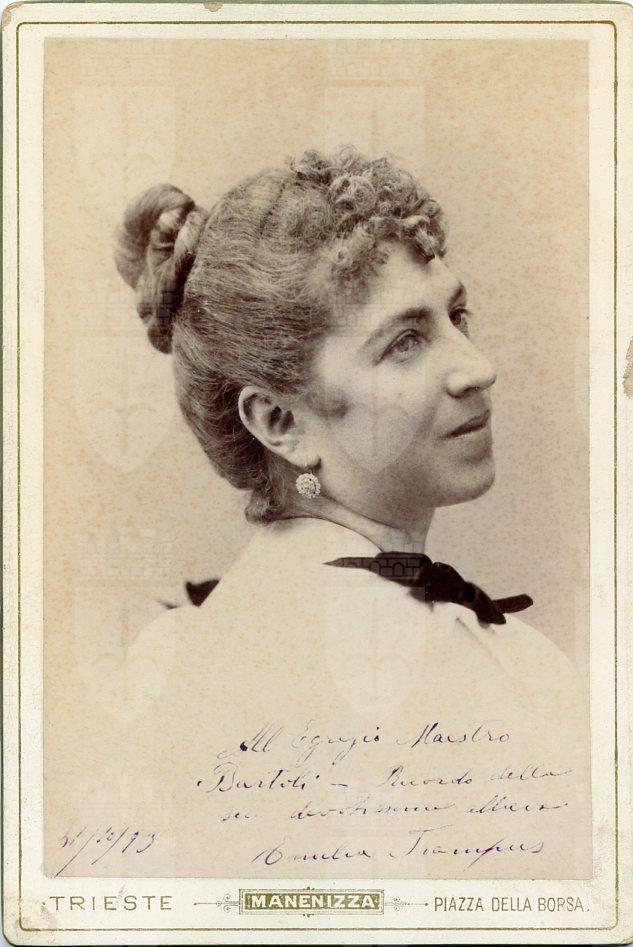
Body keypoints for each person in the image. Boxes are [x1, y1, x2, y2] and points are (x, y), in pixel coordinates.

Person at [49, 147, 591, 881]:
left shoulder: (165, 653)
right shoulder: (484, 674)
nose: (476, 367)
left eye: (456, 314)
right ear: (280, 421)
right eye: (404, 342)